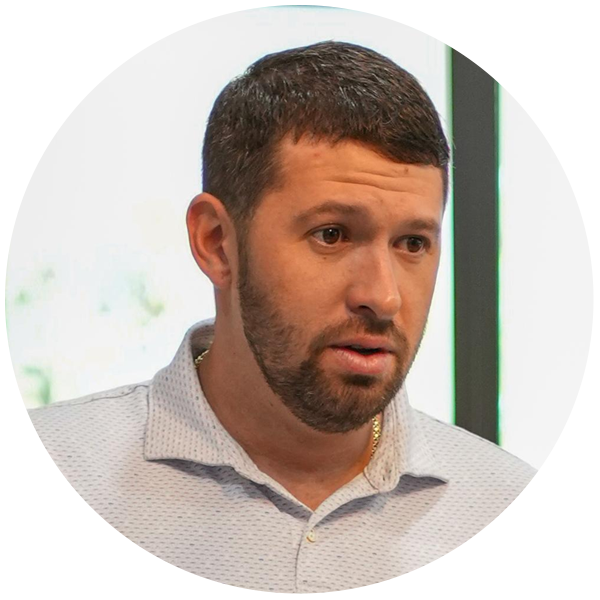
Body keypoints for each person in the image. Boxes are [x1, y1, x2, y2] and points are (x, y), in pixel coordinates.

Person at [5, 41, 593, 594]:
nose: (383, 296)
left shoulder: (534, 534)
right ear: (216, 243)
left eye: (413, 243)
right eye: (332, 234)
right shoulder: (27, 486)